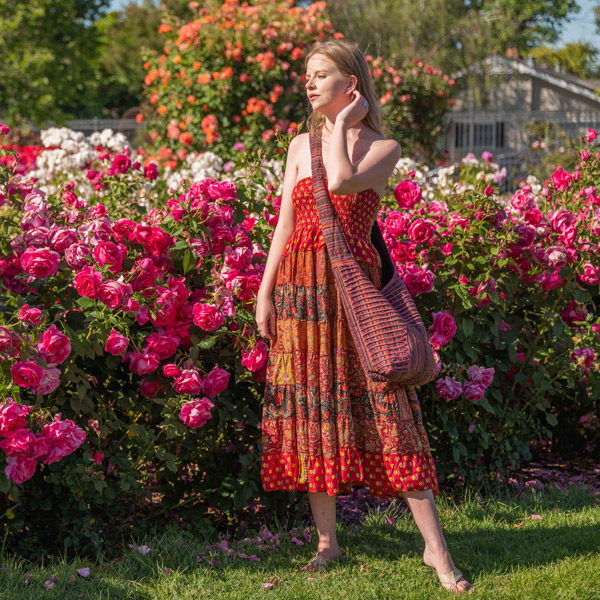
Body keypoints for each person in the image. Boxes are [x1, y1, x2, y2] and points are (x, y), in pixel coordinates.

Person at [254, 39, 474, 594]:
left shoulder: (385, 146)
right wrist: (264, 289)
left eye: (321, 74)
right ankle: (327, 544)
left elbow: (340, 183)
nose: (308, 83)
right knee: (313, 408)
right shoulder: (298, 144)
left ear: (350, 84)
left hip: (352, 294)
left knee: (388, 409)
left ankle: (435, 550)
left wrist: (348, 125)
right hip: (302, 293)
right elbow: (284, 221)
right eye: (307, 74)